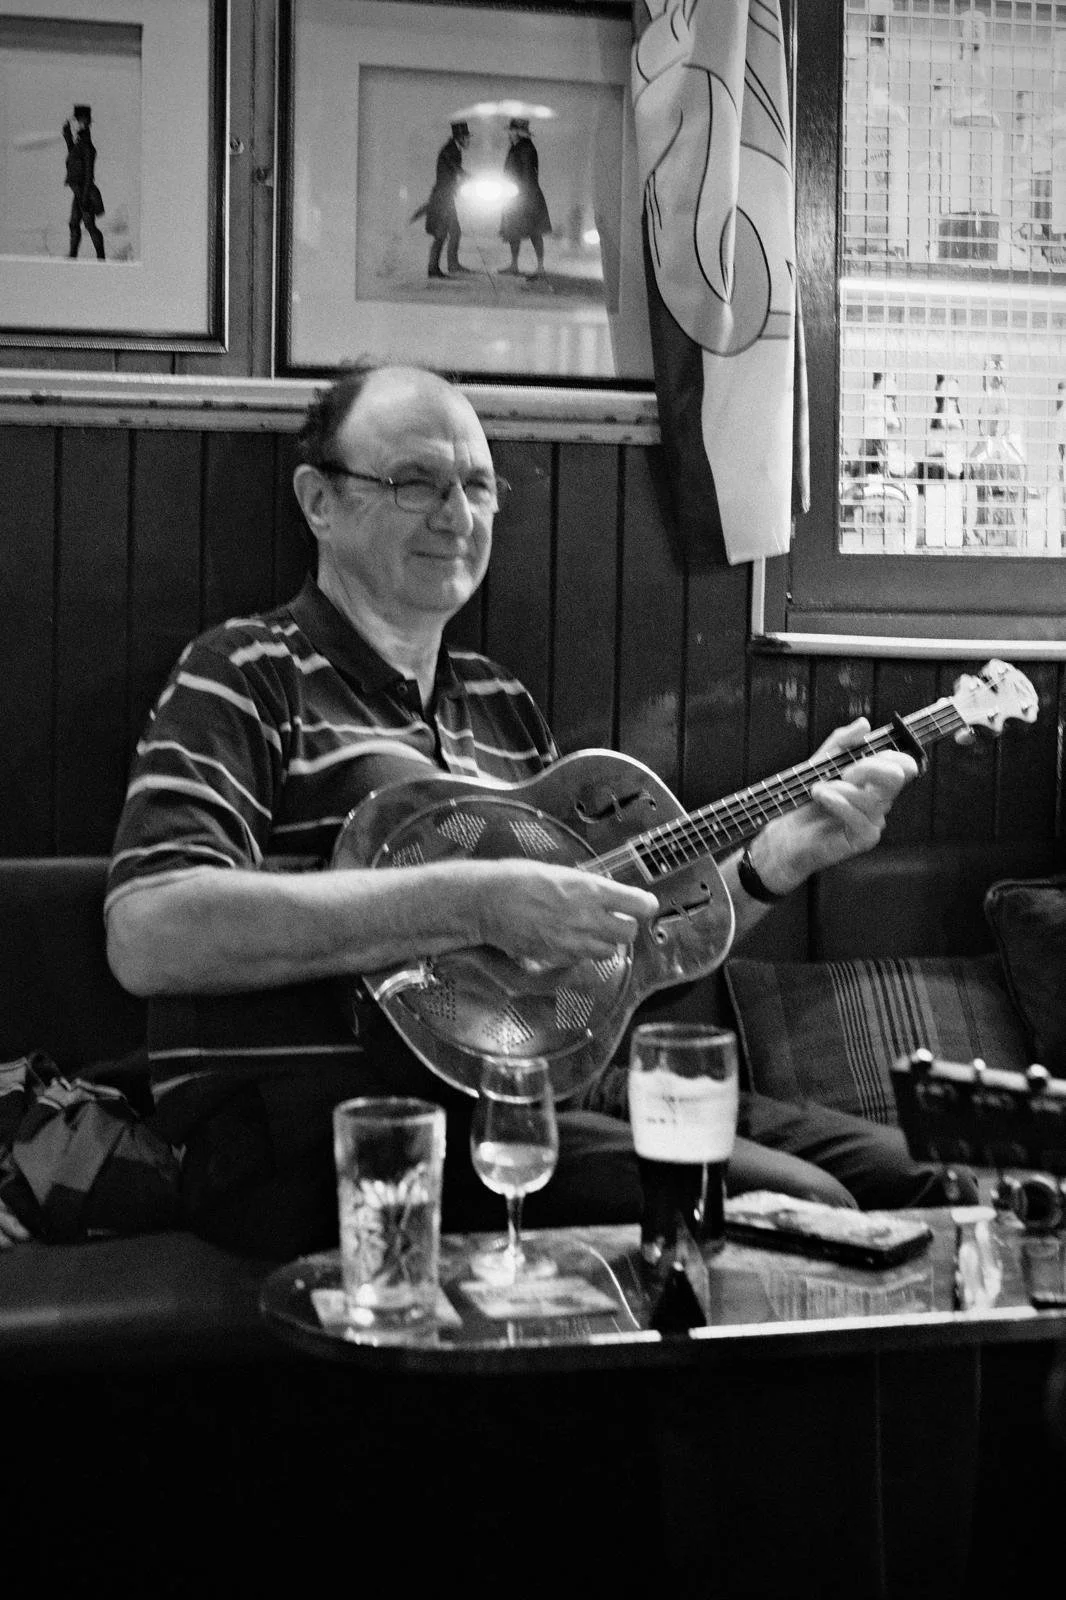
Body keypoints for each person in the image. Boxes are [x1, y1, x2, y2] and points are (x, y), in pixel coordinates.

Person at [104, 360, 971, 1261]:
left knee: (917, 1178)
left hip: (545, 1094)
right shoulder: (246, 673)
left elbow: (616, 957)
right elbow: (150, 932)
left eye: (478, 485)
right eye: (415, 483)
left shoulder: (497, 702)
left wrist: (775, 861)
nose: (456, 515)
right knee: (803, 1210)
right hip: (332, 1137)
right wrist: (477, 900)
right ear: (319, 501)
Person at [499, 118, 551, 277]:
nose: (509, 134)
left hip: (527, 196)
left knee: (534, 231)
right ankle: (514, 264)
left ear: (517, 133)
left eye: (511, 131)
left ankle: (540, 267)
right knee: (513, 231)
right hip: (516, 195)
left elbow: (528, 174)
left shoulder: (526, 148)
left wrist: (522, 195)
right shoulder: (515, 148)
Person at [420, 120, 472, 280]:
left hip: (446, 196)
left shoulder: (454, 149)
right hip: (442, 199)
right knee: (441, 234)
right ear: (460, 138)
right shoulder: (450, 150)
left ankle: (453, 265)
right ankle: (433, 269)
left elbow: (453, 172)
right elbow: (454, 168)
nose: (468, 141)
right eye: (466, 138)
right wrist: (467, 176)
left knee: (454, 231)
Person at [63, 104, 105, 261]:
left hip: (84, 191)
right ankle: (73, 256)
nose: (78, 123)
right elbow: (72, 154)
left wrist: (85, 196)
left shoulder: (87, 146)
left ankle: (101, 258)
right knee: (74, 224)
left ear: (87, 122)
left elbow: (88, 174)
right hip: (79, 192)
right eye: (77, 120)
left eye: (80, 121)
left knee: (89, 226)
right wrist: (67, 134)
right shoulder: (80, 143)